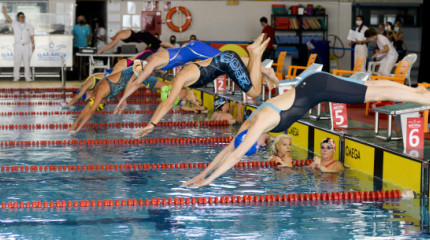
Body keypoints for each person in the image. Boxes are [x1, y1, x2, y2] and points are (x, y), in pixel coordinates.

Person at [182, 71, 430, 188]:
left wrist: (208, 182)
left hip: (318, 87)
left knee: (371, 93)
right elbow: (228, 149)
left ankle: (421, 97)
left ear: (253, 140)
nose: (262, 144)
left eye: (256, 145)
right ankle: (417, 93)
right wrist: (202, 174)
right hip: (313, 85)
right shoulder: (250, 122)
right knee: (371, 87)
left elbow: (235, 155)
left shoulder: (259, 124)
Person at [123, 33, 276, 137]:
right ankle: (258, 61)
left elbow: (167, 103)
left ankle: (255, 54)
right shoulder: (183, 74)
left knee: (255, 92)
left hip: (226, 60)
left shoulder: (179, 78)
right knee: (252, 86)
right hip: (225, 60)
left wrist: (152, 124)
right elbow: (168, 100)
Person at [65, 49, 155, 108]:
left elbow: (78, 95)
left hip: (123, 66)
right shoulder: (100, 90)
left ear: (87, 94)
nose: (91, 99)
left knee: (150, 62)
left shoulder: (90, 82)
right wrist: (122, 99)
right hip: (125, 70)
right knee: (151, 69)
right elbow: (117, 88)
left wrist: (67, 106)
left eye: (89, 98)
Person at [2, 6, 35, 82]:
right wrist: (4, 13)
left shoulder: (29, 26)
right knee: (17, 62)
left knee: (27, 62)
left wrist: (33, 44)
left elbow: (31, 36)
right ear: (18, 18)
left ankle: (28, 77)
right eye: (20, 17)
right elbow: (9, 19)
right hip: (18, 46)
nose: (22, 18)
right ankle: (16, 77)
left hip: (26, 46)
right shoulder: (15, 24)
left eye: (23, 17)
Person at [96, 29, 174, 54]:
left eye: (112, 38)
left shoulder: (120, 35)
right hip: (144, 35)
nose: (112, 39)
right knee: (161, 43)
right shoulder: (120, 32)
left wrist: (101, 50)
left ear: (113, 35)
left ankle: (172, 54)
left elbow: (111, 45)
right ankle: (176, 49)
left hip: (145, 37)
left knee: (158, 48)